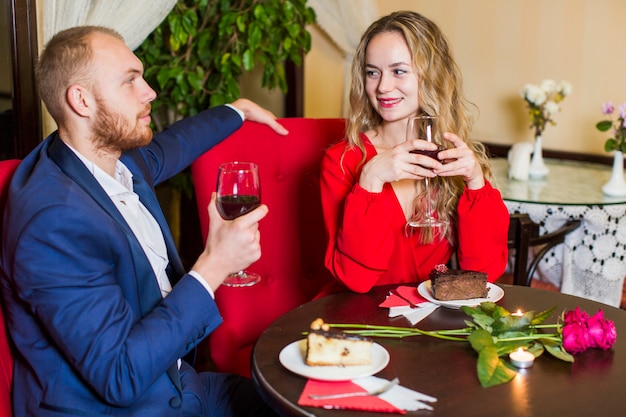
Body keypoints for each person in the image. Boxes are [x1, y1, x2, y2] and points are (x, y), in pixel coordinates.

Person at [0, 25, 287, 416]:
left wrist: (236, 111)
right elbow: (119, 375)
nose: (150, 91)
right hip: (123, 407)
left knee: (297, 400)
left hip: (181, 386)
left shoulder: (114, 158)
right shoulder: (52, 220)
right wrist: (215, 264)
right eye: (130, 81)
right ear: (81, 100)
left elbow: (174, 145)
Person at [320, 11, 509, 293]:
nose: (383, 87)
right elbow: (356, 282)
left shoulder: (452, 156)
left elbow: (484, 274)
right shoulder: (343, 160)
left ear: (431, 75)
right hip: (361, 319)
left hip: (430, 318)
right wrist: (370, 181)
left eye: (398, 71)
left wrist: (475, 182)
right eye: (373, 72)